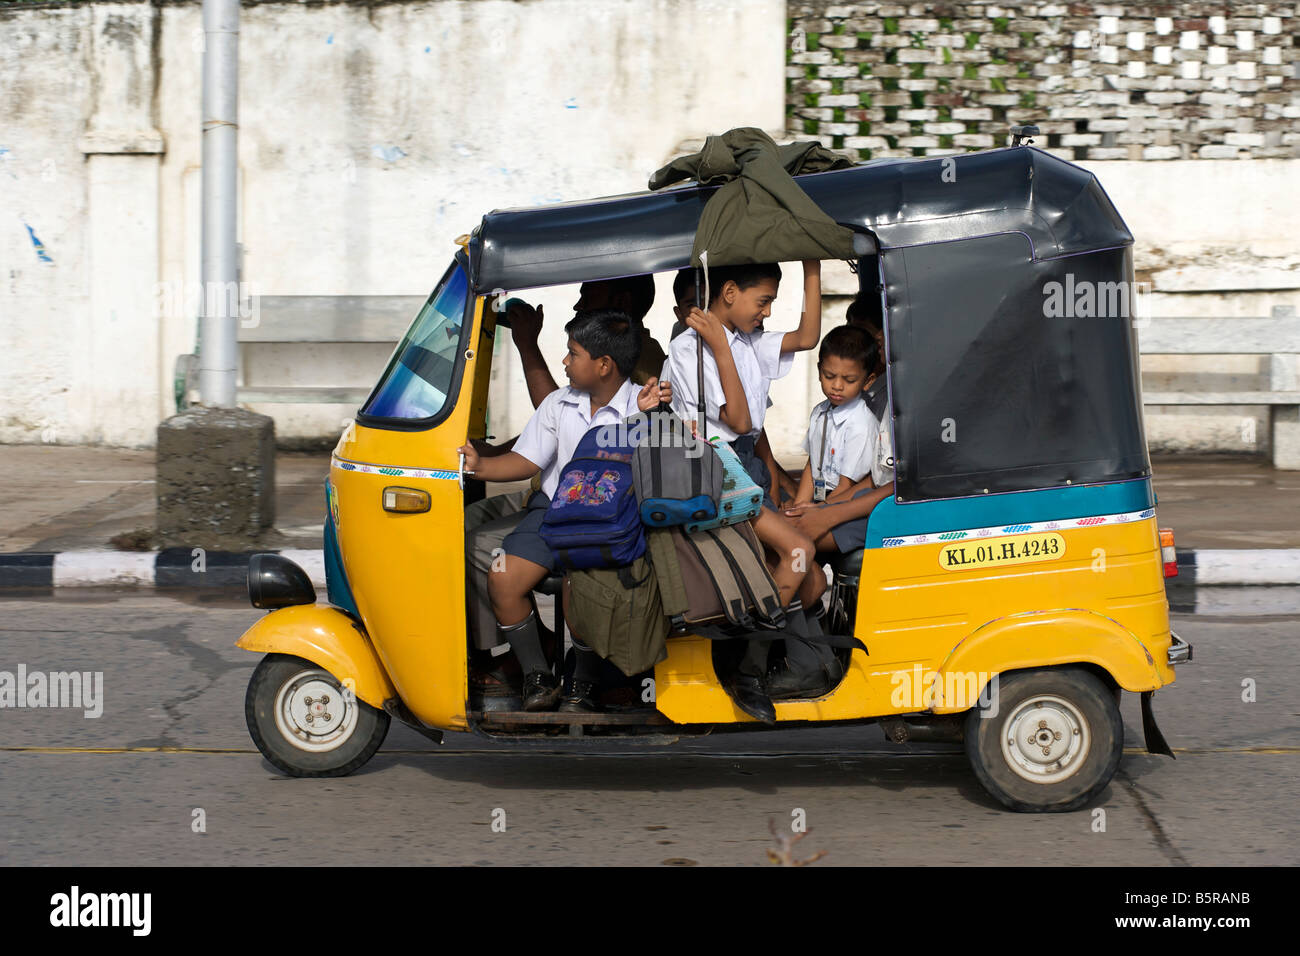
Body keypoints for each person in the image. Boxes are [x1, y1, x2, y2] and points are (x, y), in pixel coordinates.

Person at [464, 276, 667, 699]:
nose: (564, 362)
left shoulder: (639, 406)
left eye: (573, 355)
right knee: (502, 578)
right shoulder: (560, 404)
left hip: (611, 524)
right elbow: (528, 459)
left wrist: (652, 416)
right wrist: (481, 465)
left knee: (584, 596)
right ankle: (538, 674)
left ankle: (584, 681)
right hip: (553, 515)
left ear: (604, 365)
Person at [661, 260, 834, 721]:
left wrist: (812, 264)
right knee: (797, 552)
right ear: (730, 292)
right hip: (715, 472)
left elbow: (808, 337)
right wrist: (718, 346)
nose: (768, 313)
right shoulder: (690, 349)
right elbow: (737, 421)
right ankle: (749, 665)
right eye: (764, 302)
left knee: (809, 577)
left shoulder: (747, 341)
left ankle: (783, 661)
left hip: (747, 467)